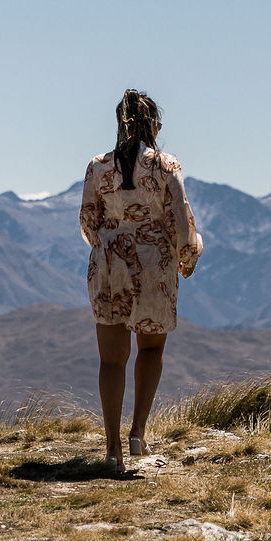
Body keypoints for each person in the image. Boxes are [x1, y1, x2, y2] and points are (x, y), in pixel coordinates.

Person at [80, 88, 203, 470]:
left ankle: (112, 448)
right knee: (151, 350)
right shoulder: (166, 166)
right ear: (154, 125)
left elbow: (87, 221)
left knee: (110, 360)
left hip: (109, 264)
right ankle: (137, 433)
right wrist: (187, 256)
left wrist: (108, 243)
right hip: (153, 265)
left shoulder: (98, 167)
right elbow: (180, 219)